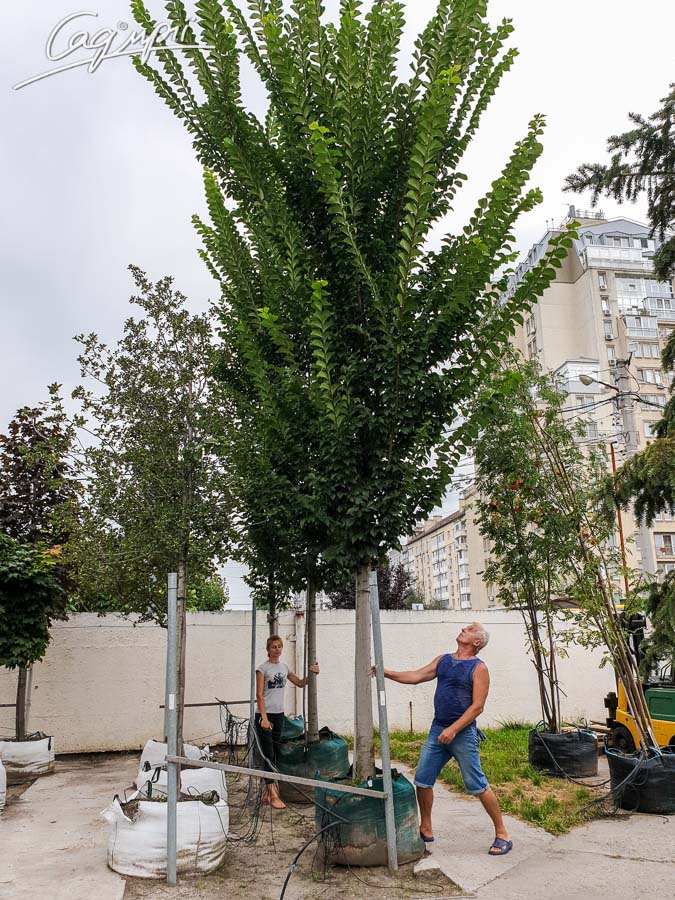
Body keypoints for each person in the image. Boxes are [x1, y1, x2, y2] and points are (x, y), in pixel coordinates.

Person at [377, 622, 512, 855]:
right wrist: (386, 673)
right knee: (422, 779)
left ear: (476, 641)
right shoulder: (444, 660)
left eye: (470, 629)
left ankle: (502, 834)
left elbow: (477, 707)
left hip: (462, 733)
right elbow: (417, 675)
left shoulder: (479, 668)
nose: (464, 628)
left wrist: (453, 729)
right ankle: (426, 828)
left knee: (477, 784)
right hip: (438, 729)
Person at [256, 634, 320, 809]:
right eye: (273, 647)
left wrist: (312, 673)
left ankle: (265, 791)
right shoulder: (262, 669)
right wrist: (264, 718)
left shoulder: (284, 667)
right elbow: (259, 695)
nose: (277, 649)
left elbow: (300, 683)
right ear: (268, 649)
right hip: (265, 715)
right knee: (268, 754)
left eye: (279, 646)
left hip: (279, 715)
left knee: (274, 752)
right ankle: (273, 795)